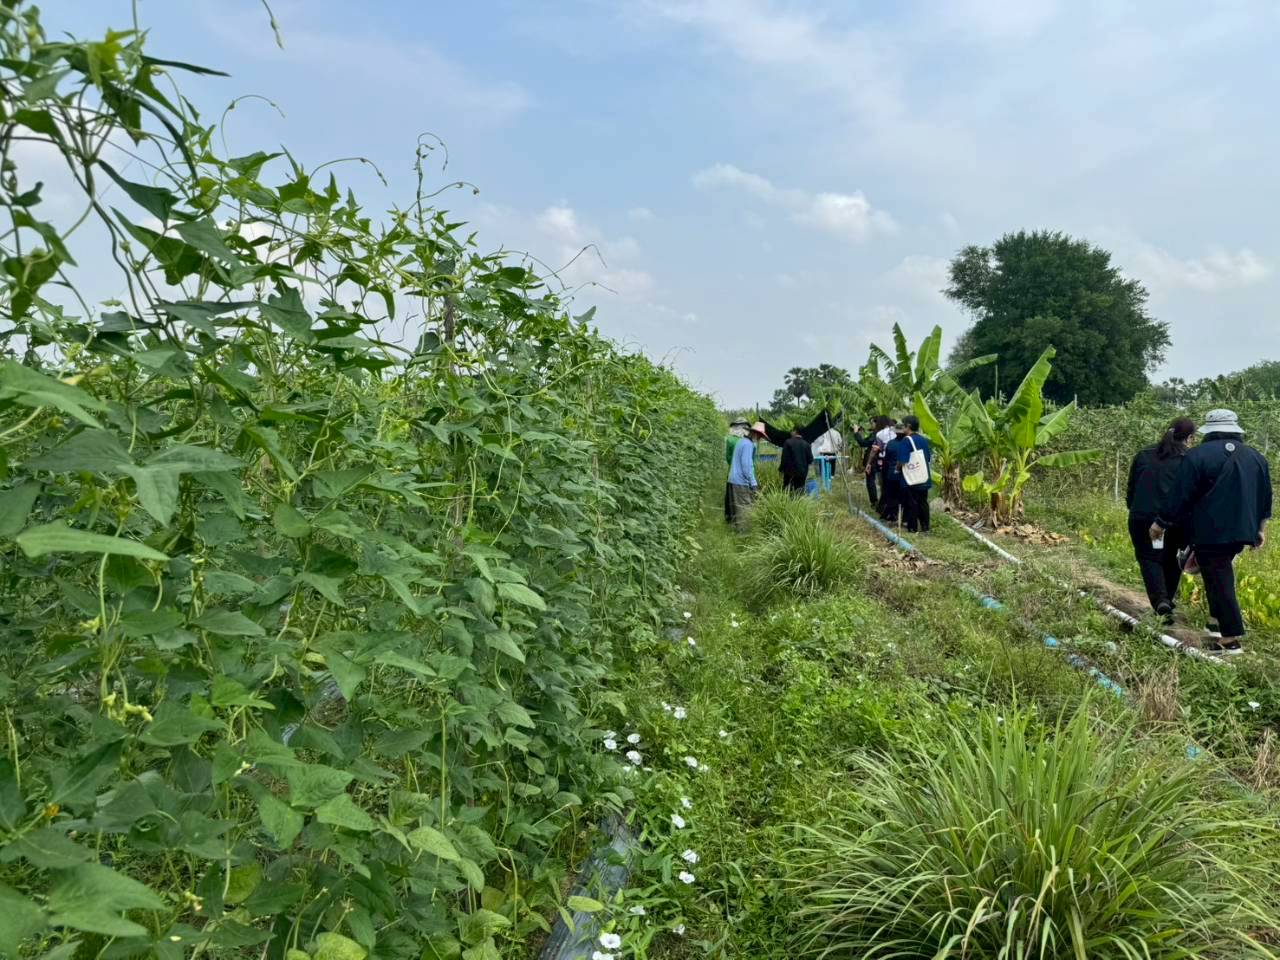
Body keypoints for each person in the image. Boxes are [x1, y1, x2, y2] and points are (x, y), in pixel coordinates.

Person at [1151, 409, 1272, 655]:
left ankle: (1231, 639)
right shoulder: (1256, 457)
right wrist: (1260, 529)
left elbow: (1180, 495)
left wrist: (1160, 522)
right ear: (1235, 430)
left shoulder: (1197, 456)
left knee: (1219, 577)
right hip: (1243, 529)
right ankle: (1216, 626)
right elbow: (1265, 497)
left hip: (1210, 529)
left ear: (1209, 431)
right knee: (1218, 574)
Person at [1125, 417, 1195, 621]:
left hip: (1144, 516)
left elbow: (1132, 486)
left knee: (1150, 556)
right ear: (1190, 438)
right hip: (1176, 519)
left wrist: (1134, 507)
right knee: (1171, 557)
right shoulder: (1190, 460)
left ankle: (1161, 601)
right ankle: (1166, 601)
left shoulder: (1144, 454)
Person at [885, 415, 932, 532]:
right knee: (923, 502)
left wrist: (897, 468)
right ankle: (925, 527)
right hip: (923, 477)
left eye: (904, 425)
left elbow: (902, 460)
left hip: (911, 478)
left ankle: (912, 527)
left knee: (911, 503)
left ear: (908, 427)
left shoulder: (906, 441)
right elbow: (928, 457)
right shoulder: (923, 440)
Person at [728, 421, 767, 527]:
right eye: (759, 436)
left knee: (737, 508)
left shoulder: (741, 441)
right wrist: (753, 483)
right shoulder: (748, 445)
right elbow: (746, 467)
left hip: (733, 479)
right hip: (741, 481)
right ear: (755, 434)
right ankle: (744, 535)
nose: (759, 439)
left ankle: (737, 532)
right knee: (745, 508)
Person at [854, 416, 893, 506]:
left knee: (871, 481)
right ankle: (883, 502)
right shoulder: (890, 433)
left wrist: (856, 433)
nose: (871, 425)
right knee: (883, 482)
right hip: (885, 461)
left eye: (872, 423)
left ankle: (875, 502)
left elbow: (863, 443)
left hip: (874, 461)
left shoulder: (878, 434)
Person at [877, 422, 907, 524]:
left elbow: (886, 461)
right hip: (904, 475)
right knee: (902, 497)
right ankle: (901, 518)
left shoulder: (890, 444)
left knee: (891, 496)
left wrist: (884, 475)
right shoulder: (907, 444)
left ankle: (890, 516)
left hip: (891, 474)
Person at [724, 420, 750, 523]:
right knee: (744, 496)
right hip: (745, 473)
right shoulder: (749, 441)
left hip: (732, 471)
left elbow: (728, 457)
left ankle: (729, 517)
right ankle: (742, 519)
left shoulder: (730, 440)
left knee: (730, 494)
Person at [779, 425, 814, 495]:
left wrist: (781, 470)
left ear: (795, 431)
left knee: (787, 492)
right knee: (799, 493)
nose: (791, 432)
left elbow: (784, 459)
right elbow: (810, 460)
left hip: (789, 474)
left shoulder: (788, 442)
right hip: (802, 474)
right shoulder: (807, 444)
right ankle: (799, 505)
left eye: (792, 430)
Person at [810, 424, 843, 491]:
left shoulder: (823, 433)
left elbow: (819, 442)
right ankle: (830, 480)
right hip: (833, 452)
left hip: (824, 452)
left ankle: (824, 481)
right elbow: (840, 443)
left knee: (823, 466)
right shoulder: (837, 433)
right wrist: (837, 448)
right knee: (832, 465)